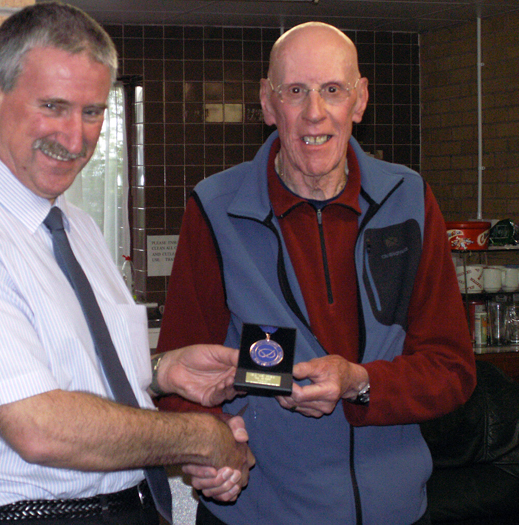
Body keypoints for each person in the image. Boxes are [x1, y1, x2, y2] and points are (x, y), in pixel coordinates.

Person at [0, 3, 254, 525]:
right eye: (53, 106)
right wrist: (202, 438)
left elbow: (68, 367)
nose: (76, 139)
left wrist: (160, 374)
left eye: (93, 111)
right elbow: (39, 427)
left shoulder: (75, 227)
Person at [156, 21, 476, 525]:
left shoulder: (408, 200)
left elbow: (451, 369)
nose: (314, 113)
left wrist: (361, 382)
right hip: (258, 513)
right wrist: (210, 446)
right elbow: (178, 376)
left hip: (395, 513)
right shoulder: (216, 209)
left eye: (332, 90)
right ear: (267, 102)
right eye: (296, 91)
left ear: (360, 99)